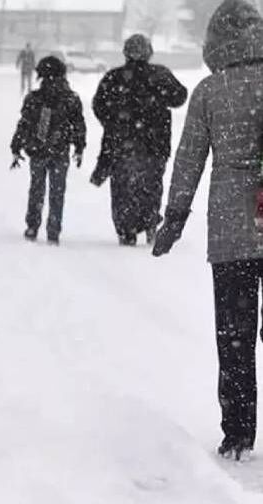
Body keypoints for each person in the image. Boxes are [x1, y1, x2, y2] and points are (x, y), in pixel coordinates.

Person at [152, 0, 263, 461]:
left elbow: (189, 160)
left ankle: (238, 433)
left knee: (235, 336)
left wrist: (174, 218)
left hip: (233, 231)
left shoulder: (209, 91)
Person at [91, 34, 188, 246]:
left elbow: (99, 105)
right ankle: (150, 222)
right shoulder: (160, 74)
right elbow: (180, 97)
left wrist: (114, 122)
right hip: (155, 144)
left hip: (121, 145)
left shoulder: (114, 77)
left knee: (122, 189)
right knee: (151, 186)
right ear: (149, 52)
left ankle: (127, 229)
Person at [11, 56, 86, 245]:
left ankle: (32, 225)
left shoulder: (35, 98)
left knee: (37, 189)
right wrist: (79, 146)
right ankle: (53, 229)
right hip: (60, 151)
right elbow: (79, 125)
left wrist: (17, 145)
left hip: (38, 150)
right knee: (57, 192)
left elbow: (24, 124)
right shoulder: (71, 99)